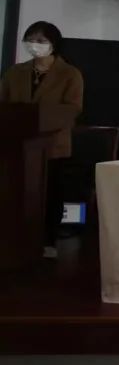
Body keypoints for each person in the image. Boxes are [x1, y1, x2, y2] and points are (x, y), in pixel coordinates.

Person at [0, 21, 84, 258]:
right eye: (30, 40)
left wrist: (42, 118)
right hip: (17, 147)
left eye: (41, 41)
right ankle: (15, 240)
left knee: (51, 194)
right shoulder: (15, 72)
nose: (34, 45)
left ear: (53, 44)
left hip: (52, 145)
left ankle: (48, 241)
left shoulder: (69, 74)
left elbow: (73, 108)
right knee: (16, 194)